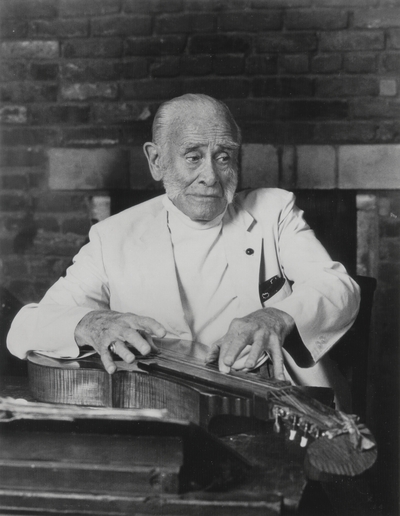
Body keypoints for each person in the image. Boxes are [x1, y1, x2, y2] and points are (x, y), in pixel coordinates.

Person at [7, 94, 360, 408]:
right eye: (193, 157)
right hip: (163, 410)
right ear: (156, 160)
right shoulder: (113, 236)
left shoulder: (273, 212)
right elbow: (27, 325)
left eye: (224, 157)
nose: (210, 175)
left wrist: (273, 318)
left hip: (267, 404)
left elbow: (337, 288)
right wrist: (90, 322)